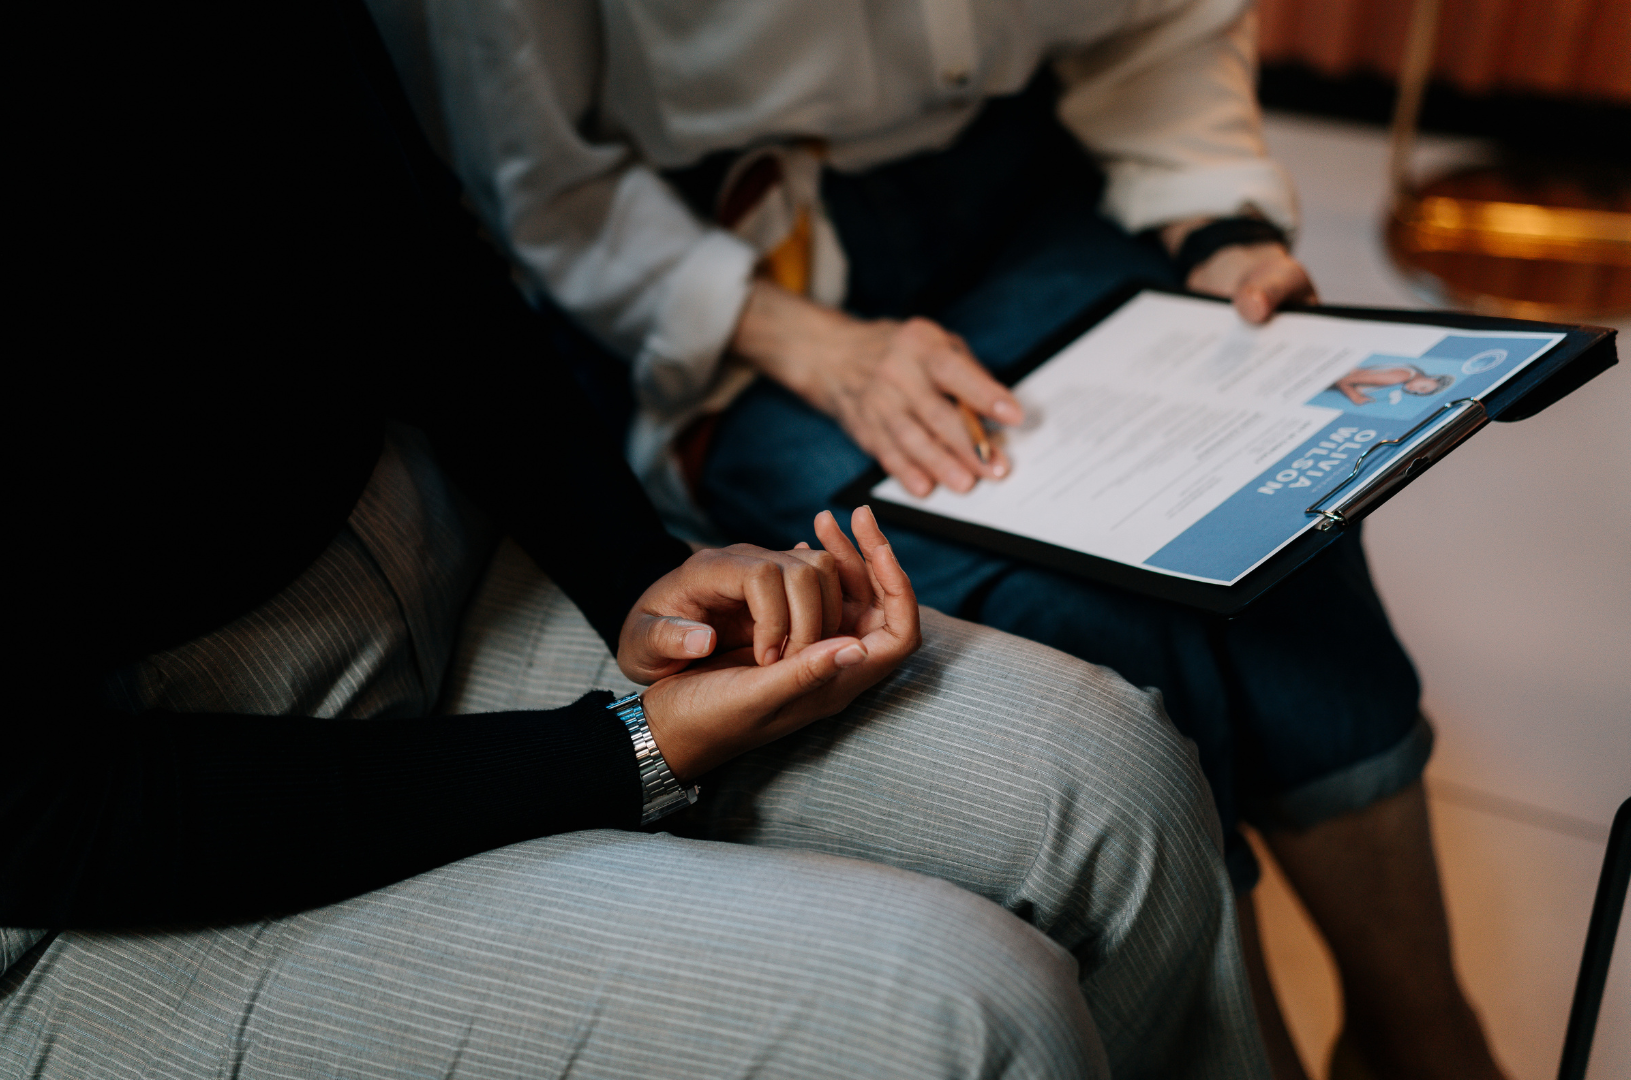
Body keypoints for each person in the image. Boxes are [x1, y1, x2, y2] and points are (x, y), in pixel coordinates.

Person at [2, 3, 1267, 1077]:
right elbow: (51, 817)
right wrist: (625, 752)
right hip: (92, 857)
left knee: (1120, 786)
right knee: (963, 1015)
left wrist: (636, 576)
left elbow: (417, 254)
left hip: (435, 555)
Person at [358, 1, 1512, 1076]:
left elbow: (1159, 22)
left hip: (1017, 176)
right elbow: (541, 182)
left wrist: (1217, 226)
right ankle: (1246, 1037)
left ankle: (1419, 1026)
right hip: (723, 259)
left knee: (1276, 527)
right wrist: (806, 343)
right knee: (1068, 614)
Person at [1332, 364, 1456, 405]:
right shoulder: (1401, 376)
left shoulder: (1406, 374)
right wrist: (1356, 397)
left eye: (1418, 393)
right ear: (1433, 377)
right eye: (1423, 387)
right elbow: (1343, 380)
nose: (1415, 390)